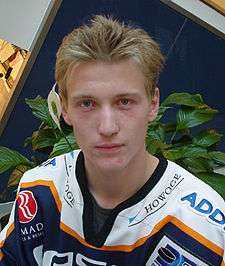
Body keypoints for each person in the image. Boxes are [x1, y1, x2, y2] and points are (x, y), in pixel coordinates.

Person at [0, 15, 225, 266]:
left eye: (124, 102)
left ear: (153, 103)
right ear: (64, 108)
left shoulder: (202, 226)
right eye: (87, 103)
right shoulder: (41, 189)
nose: (107, 127)